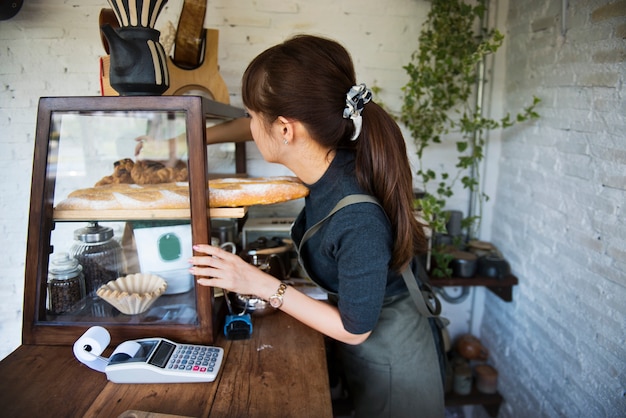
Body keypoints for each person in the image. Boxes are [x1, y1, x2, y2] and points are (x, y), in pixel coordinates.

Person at [189, 34, 445, 418]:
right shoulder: (334, 155)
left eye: (251, 114)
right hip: (370, 341)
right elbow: (257, 126)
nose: (248, 124)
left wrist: (257, 283)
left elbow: (356, 329)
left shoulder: (357, 218)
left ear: (285, 130)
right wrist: (192, 138)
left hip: (395, 361)